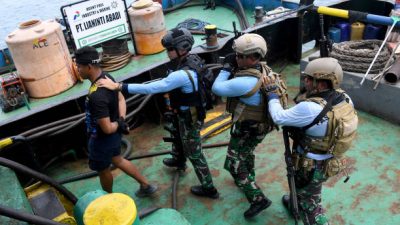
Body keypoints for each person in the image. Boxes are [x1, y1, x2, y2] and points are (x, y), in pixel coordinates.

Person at [96, 28, 219, 199]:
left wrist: (119, 86)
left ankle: (209, 188)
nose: (167, 53)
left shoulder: (182, 74)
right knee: (178, 136)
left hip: (189, 118)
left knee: (195, 152)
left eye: (170, 49)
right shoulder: (192, 60)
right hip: (185, 113)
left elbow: (153, 87)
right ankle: (179, 160)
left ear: (182, 49)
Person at [265, 57, 358, 225]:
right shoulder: (345, 98)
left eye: (309, 79)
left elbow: (278, 117)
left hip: (309, 166)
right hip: (329, 160)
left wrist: (272, 94)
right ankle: (301, 198)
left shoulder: (309, 108)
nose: (305, 81)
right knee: (311, 190)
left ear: (321, 84)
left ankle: (308, 208)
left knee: (311, 208)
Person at [76, 46, 158, 196]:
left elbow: (106, 128)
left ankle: (109, 199)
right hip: (114, 135)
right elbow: (120, 98)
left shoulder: (96, 96)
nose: (77, 70)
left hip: (101, 140)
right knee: (118, 160)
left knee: (103, 169)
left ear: (88, 67)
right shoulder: (107, 78)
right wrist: (121, 120)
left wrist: (116, 124)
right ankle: (146, 185)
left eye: (79, 66)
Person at [212, 33, 275, 218]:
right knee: (247, 152)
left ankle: (258, 199)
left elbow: (217, 88)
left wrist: (226, 68)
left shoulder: (245, 81)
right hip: (260, 126)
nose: (236, 58)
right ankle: (250, 178)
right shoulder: (263, 69)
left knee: (232, 164)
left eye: (240, 56)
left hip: (249, 128)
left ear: (253, 58)